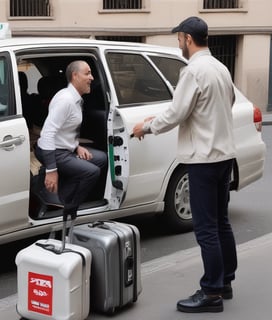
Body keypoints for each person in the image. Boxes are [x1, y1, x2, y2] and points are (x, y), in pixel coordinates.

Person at [132, 16, 237, 313]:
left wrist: (146, 128)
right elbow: (223, 105)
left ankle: (212, 293)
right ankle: (225, 281)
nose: (178, 43)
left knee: (205, 228)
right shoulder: (221, 68)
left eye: (178, 38)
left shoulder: (193, 71)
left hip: (203, 159)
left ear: (188, 39)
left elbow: (177, 113)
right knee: (221, 222)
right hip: (224, 156)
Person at [34, 60, 107, 220]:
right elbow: (47, 134)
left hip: (65, 149)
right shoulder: (65, 100)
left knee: (101, 159)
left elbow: (65, 131)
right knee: (91, 172)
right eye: (87, 73)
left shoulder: (75, 98)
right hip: (52, 151)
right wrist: (51, 170)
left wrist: (76, 147)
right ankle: (67, 207)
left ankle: (84, 200)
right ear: (75, 76)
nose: (92, 78)